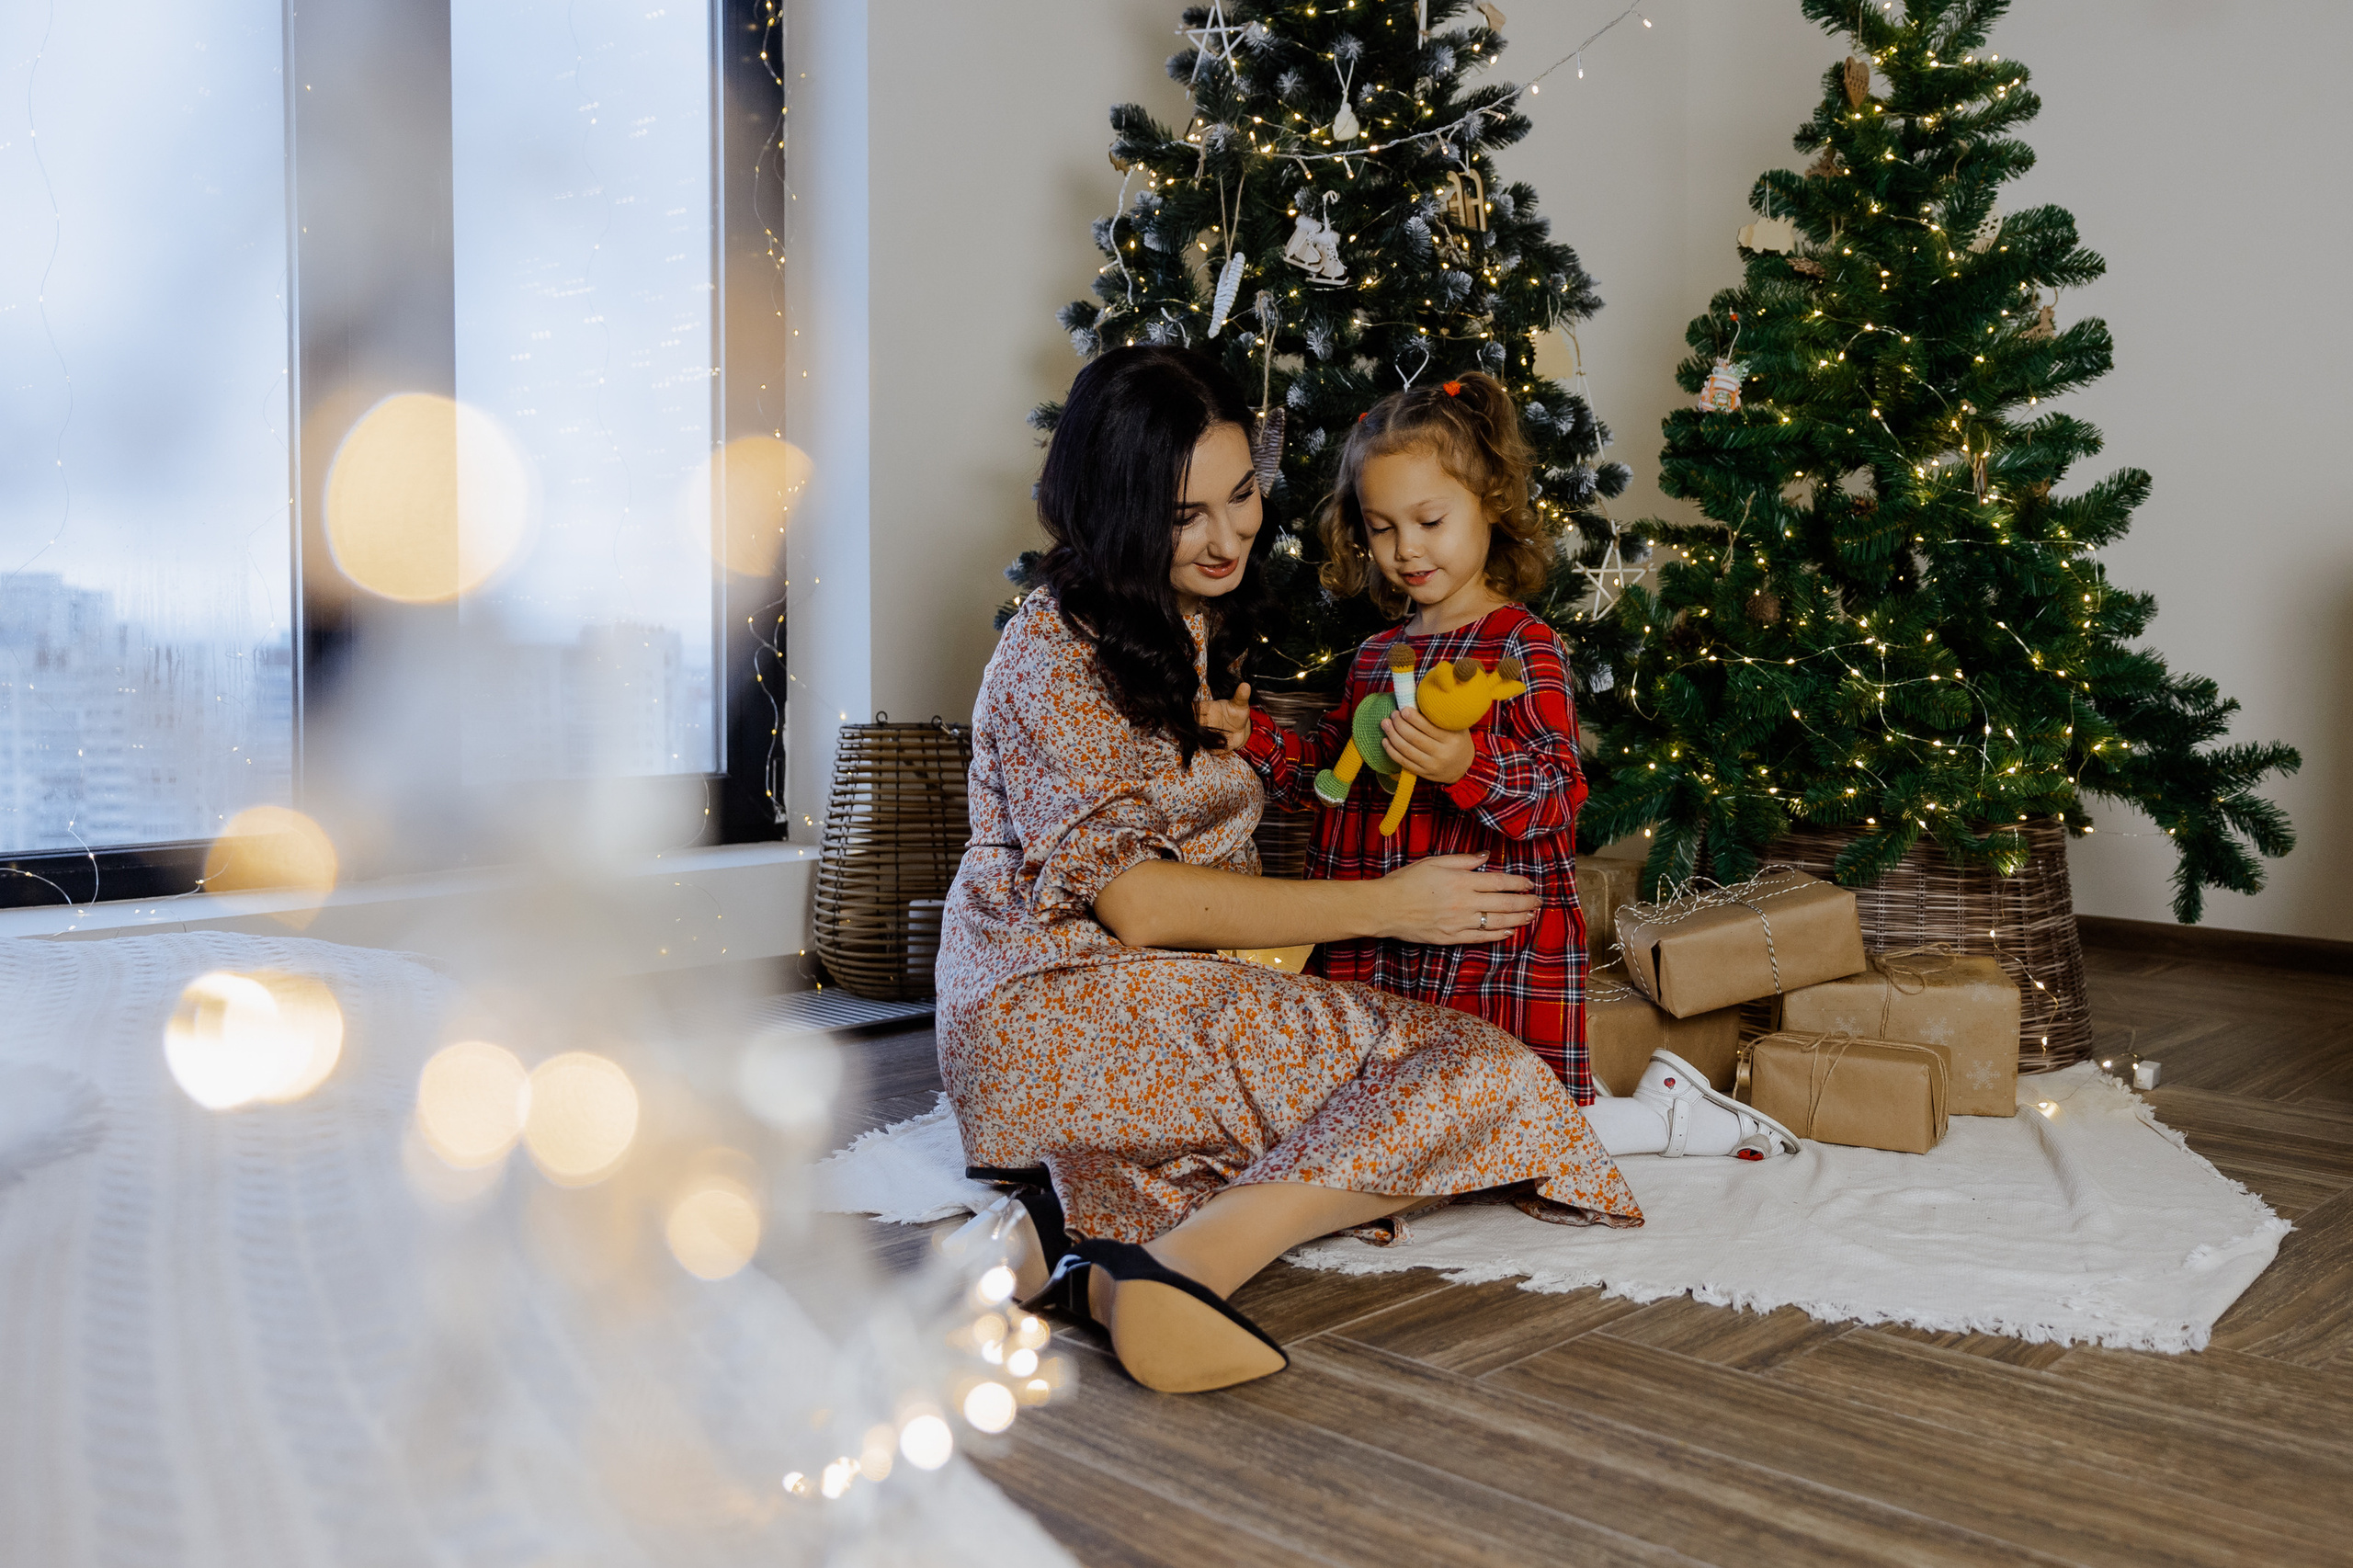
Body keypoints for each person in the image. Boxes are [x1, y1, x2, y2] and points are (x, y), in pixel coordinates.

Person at [933, 347, 1642, 1397]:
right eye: (1186, 515)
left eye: (1242, 496)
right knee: (1490, 1074)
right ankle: (1182, 1264)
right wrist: (1393, 904)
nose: (1226, 538)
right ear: (1120, 505)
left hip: (1107, 1021)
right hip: (1060, 1008)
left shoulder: (1178, 622)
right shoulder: (1054, 648)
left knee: (1350, 1087)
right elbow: (1138, 903)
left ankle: (1053, 1231)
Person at [1199, 372, 1798, 1163]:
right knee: (1374, 1113)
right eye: (1381, 528)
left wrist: (1464, 764)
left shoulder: (1524, 646)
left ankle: (1660, 1118)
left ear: (1490, 505)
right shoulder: (1378, 656)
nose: (1406, 549)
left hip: (1489, 946)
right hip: (1379, 938)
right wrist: (1255, 740)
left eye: (1430, 520)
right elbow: (1329, 779)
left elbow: (1557, 799)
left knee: (1507, 1124)